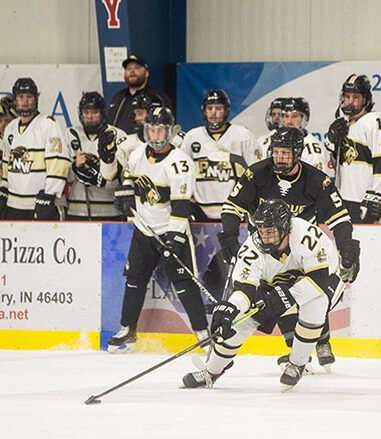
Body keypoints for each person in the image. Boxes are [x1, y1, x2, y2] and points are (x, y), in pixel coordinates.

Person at [219, 126, 359, 370]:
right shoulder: (257, 174)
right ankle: (296, 352)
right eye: (276, 152)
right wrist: (230, 236)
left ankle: (320, 339)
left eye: (285, 153)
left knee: (305, 295)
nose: (279, 158)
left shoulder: (317, 181)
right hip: (263, 251)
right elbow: (232, 206)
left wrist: (346, 248)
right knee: (270, 297)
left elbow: (339, 218)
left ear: (298, 154)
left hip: (299, 252)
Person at [181, 199, 346, 390]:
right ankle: (211, 372)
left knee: (315, 306)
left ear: (285, 227)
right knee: (242, 321)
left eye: (270, 231)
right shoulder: (252, 249)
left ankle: (297, 363)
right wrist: (230, 308)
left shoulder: (306, 236)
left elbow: (319, 280)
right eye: (261, 231)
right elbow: (244, 291)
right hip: (278, 284)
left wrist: (285, 296)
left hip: (327, 277)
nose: (265, 237)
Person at [104, 107, 209, 352]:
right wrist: (126, 192)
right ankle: (127, 328)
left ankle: (202, 332)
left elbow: (181, 205)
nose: (156, 134)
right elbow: (129, 177)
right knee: (134, 279)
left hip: (172, 229)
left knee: (183, 281)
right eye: (151, 128)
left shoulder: (180, 162)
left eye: (160, 129)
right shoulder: (138, 153)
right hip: (144, 228)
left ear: (170, 131)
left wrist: (174, 238)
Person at [181, 89, 261, 221]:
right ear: (204, 111)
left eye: (218, 108)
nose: (213, 112)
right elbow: (184, 173)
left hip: (235, 208)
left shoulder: (243, 135)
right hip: (200, 208)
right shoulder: (192, 137)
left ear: (226, 111)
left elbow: (256, 171)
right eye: (209, 108)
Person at [326, 74, 381, 223]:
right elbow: (336, 165)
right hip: (345, 200)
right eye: (347, 96)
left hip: (366, 201)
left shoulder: (375, 122)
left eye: (356, 97)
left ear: (365, 99)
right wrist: (331, 142)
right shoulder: (344, 125)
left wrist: (377, 197)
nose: (350, 102)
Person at [0, 78, 70, 221]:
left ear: (36, 99)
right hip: (14, 204)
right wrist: (4, 187)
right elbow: (7, 163)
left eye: (29, 97)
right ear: (15, 100)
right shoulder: (11, 128)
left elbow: (58, 161)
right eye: (20, 97)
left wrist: (49, 194)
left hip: (39, 204)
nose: (25, 102)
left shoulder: (47, 124)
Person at [65, 92, 126, 220]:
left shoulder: (117, 135)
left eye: (94, 112)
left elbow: (123, 176)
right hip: (77, 211)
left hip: (110, 211)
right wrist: (75, 167)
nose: (90, 117)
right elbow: (67, 177)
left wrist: (101, 175)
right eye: (86, 113)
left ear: (102, 113)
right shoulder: (70, 134)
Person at [107, 55, 173, 135]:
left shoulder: (158, 98)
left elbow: (167, 126)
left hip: (146, 144)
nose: (132, 71)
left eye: (137, 68)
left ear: (146, 73)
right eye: (129, 68)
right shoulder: (118, 97)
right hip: (119, 144)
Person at [280, 97, 331, 174]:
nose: (289, 121)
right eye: (286, 116)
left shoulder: (312, 148)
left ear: (304, 119)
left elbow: (316, 181)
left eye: (294, 116)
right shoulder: (273, 141)